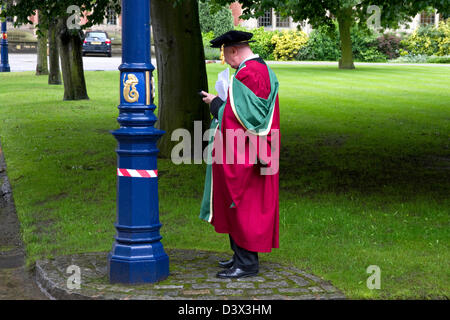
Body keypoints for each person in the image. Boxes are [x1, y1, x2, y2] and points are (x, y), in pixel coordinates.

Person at [199, 30, 280, 279]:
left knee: (243, 203)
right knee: (239, 204)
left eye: (226, 55)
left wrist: (215, 105)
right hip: (247, 148)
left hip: (248, 153)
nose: (227, 61)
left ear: (234, 50)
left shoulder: (249, 74)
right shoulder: (257, 70)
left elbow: (247, 119)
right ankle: (239, 256)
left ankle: (246, 264)